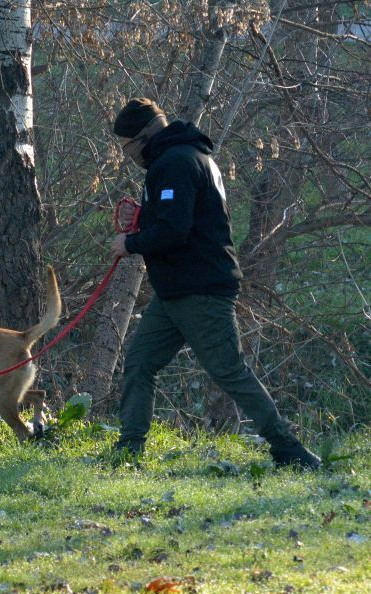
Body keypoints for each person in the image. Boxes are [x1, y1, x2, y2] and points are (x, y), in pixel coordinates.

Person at [108, 97, 321, 469]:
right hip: (176, 291)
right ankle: (129, 449)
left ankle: (288, 448)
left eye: (127, 150)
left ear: (142, 138)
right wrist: (143, 216)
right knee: (140, 361)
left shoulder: (174, 163)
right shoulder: (185, 157)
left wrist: (130, 243)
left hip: (199, 290)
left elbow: (175, 231)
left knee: (229, 371)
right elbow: (184, 216)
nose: (130, 158)